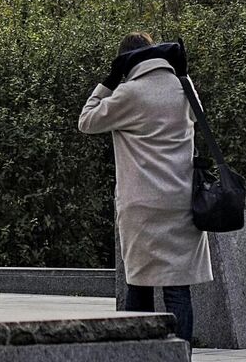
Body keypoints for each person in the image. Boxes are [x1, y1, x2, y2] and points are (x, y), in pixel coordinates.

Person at [77, 31, 212, 342]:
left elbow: (86, 121)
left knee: (139, 283)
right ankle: (180, 355)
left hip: (142, 205)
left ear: (126, 62)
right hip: (181, 201)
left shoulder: (129, 93)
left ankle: (139, 353)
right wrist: (183, 72)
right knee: (178, 287)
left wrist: (109, 81)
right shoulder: (182, 86)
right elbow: (198, 115)